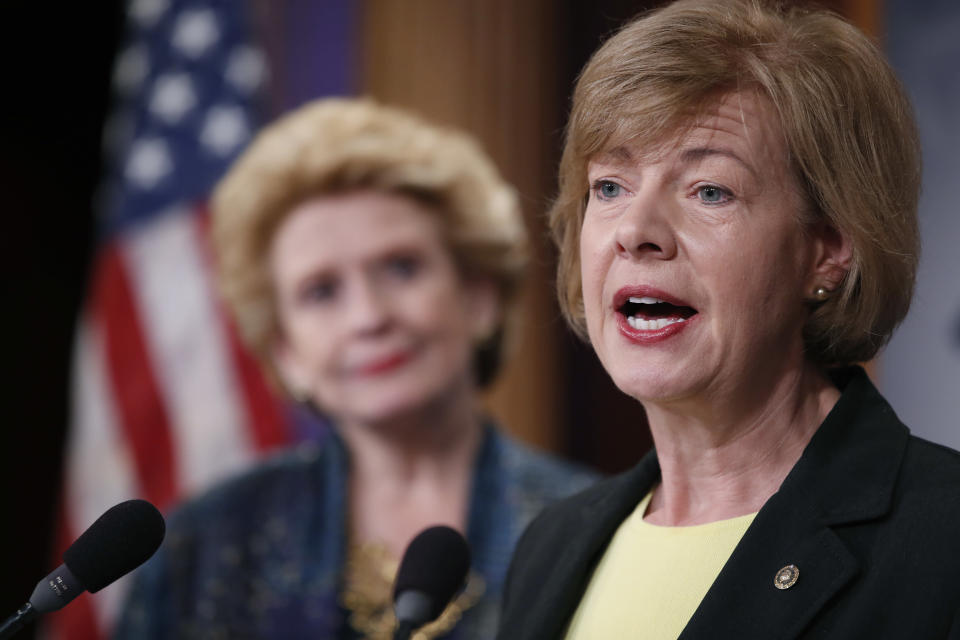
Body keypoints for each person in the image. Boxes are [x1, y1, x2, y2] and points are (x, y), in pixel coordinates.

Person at [496, 1, 960, 638]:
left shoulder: (942, 537)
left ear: (828, 248)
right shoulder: (549, 545)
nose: (635, 231)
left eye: (709, 190)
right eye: (610, 187)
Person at [113, 97, 598, 640]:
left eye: (401, 267)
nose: (368, 317)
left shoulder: (593, 531)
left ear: (478, 297)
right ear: (286, 353)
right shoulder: (203, 545)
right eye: (321, 292)